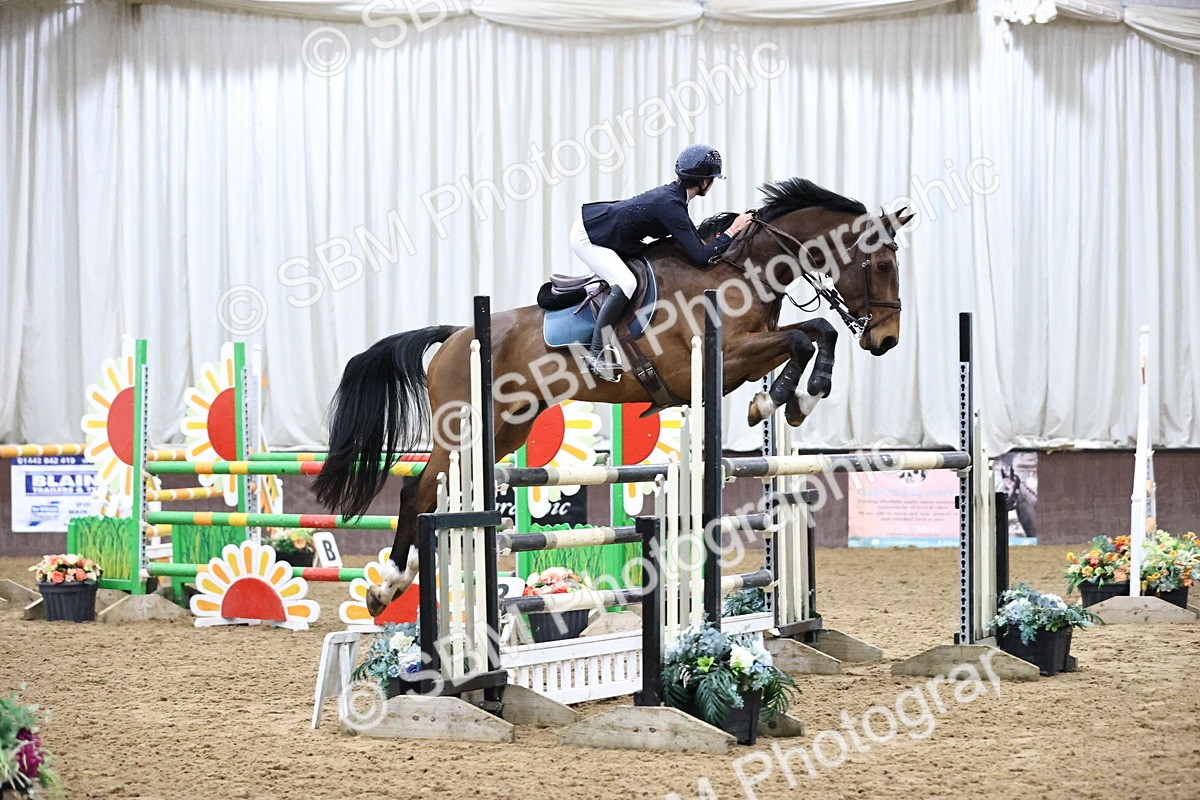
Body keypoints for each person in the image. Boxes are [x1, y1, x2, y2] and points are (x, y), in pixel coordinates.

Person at [570, 144, 755, 381]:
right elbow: (701, 256)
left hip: (608, 229)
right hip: (588, 235)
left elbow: (694, 242)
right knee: (626, 282)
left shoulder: (675, 199)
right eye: (711, 179)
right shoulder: (671, 205)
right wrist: (733, 230)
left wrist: (722, 236)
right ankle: (596, 354)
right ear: (704, 182)